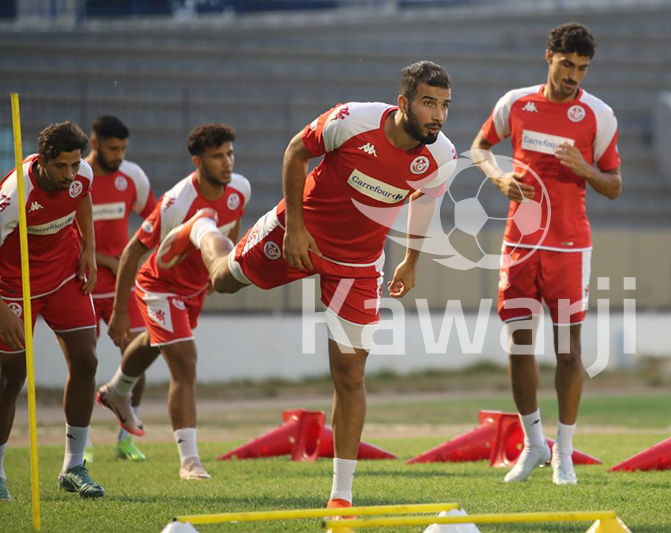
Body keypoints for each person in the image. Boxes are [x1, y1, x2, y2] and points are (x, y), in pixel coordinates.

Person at [149, 61, 455, 508]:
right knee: (222, 281)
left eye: (445, 106)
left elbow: (425, 202)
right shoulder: (352, 120)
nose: (439, 116)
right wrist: (293, 226)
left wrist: (409, 260)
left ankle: (341, 497)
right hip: (298, 235)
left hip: (358, 265)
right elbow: (296, 150)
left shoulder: (442, 155)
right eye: (429, 103)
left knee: (350, 375)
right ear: (404, 103)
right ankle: (200, 229)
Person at [470, 22, 621, 486]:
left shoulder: (599, 115)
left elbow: (614, 186)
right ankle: (535, 445)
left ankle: (565, 454)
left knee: (569, 352)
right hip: (519, 243)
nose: (575, 75)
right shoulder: (515, 103)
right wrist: (496, 177)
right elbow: (479, 148)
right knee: (518, 349)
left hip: (570, 247)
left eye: (583, 68)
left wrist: (586, 170)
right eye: (567, 64)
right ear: (549, 57)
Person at [97, 124, 250, 480]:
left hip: (194, 288)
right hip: (159, 287)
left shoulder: (240, 187)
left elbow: (234, 225)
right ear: (197, 161)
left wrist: (221, 270)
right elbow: (134, 251)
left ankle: (116, 391)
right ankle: (189, 461)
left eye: (229, 154)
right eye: (217, 156)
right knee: (185, 362)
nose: (227, 163)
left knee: (156, 340)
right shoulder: (177, 203)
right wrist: (121, 312)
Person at [0, 122, 104, 499]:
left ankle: (73, 466)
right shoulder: (14, 195)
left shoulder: (81, 173)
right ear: (42, 162)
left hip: (64, 278)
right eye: (62, 167)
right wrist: (3, 310)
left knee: (87, 361)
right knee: (10, 378)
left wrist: (89, 250)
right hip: (13, 288)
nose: (70, 175)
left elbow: (83, 197)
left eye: (75, 165)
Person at [86, 115, 156, 462]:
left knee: (137, 356)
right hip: (80, 283)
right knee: (82, 363)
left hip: (122, 286)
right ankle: (81, 445)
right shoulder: (76, 178)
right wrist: (105, 260)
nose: (118, 155)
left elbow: (154, 220)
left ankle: (126, 440)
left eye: (123, 149)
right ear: (94, 143)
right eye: (112, 148)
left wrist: (134, 259)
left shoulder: (133, 177)